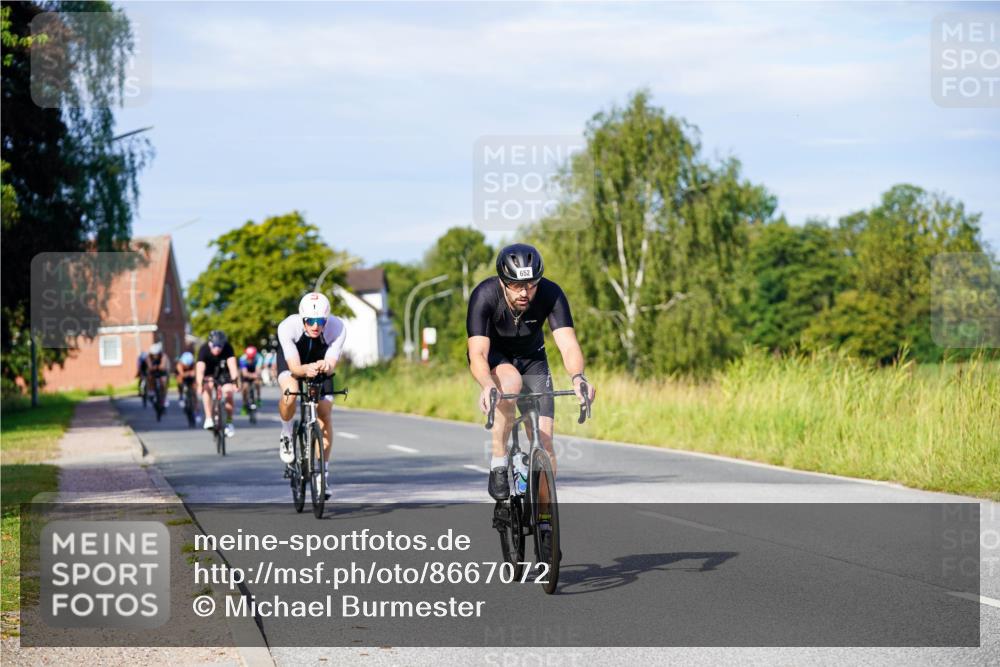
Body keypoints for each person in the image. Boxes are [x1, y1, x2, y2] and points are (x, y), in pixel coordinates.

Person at [466, 243, 596, 514]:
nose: (525, 293)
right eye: (516, 285)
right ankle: (499, 459)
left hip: (534, 360)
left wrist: (578, 377)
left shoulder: (550, 293)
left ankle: (545, 520)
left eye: (531, 284)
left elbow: (568, 344)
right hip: (498, 358)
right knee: (510, 384)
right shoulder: (484, 295)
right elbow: (477, 352)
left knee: (545, 442)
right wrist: (488, 385)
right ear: (503, 281)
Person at [276, 293, 347, 498]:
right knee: (289, 394)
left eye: (320, 321)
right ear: (302, 318)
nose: (315, 326)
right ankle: (287, 433)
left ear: (327, 319)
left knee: (325, 412)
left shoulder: (338, 327)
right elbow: (295, 368)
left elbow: (331, 362)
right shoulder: (288, 327)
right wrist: (304, 370)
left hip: (319, 362)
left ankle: (322, 475)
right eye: (310, 321)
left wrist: (326, 365)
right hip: (294, 362)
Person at [195, 330, 239, 437]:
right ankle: (209, 418)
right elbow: (200, 370)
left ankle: (228, 422)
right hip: (209, 373)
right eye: (215, 346)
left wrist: (235, 382)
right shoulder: (204, 349)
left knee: (228, 393)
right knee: (207, 386)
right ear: (210, 343)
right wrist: (199, 385)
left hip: (224, 373)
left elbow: (233, 366)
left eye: (220, 346)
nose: (217, 349)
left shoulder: (228, 348)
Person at [145, 342, 170, 409]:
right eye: (153, 354)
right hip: (153, 371)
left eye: (156, 354)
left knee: (164, 382)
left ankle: (164, 397)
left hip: (162, 371)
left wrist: (159, 367)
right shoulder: (148, 356)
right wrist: (152, 367)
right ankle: (151, 391)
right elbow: (149, 366)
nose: (155, 356)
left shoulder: (163, 356)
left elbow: (163, 365)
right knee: (150, 377)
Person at [238, 345, 263, 413]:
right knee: (244, 388)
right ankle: (244, 405)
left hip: (254, 370)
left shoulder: (259, 357)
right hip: (246, 371)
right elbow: (244, 373)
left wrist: (256, 375)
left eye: (252, 358)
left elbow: (258, 370)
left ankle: (258, 398)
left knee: (257, 382)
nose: (251, 359)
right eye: (249, 358)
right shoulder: (243, 359)